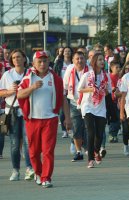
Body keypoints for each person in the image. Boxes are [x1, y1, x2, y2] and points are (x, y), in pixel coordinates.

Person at [17, 51, 72, 188]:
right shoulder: (28, 78)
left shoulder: (55, 78)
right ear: (34, 63)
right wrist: (32, 87)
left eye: (45, 61)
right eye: (39, 61)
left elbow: (63, 98)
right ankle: (38, 173)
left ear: (49, 62)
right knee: (34, 152)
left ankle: (46, 177)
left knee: (48, 151)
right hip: (32, 120)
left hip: (50, 119)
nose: (42, 64)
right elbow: (19, 94)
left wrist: (68, 117)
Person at [0, 49, 34, 181]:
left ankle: (29, 168)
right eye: (14, 58)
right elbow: (1, 92)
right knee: (14, 143)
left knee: (27, 141)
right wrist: (9, 91)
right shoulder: (7, 74)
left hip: (27, 110)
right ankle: (15, 170)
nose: (16, 60)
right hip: (13, 111)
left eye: (19, 57)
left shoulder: (31, 73)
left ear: (25, 59)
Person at [77, 53, 111, 168]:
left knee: (100, 134)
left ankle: (96, 151)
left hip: (100, 107)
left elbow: (109, 92)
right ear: (94, 61)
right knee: (91, 132)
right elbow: (80, 89)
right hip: (88, 106)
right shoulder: (87, 75)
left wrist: (106, 91)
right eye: (100, 60)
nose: (102, 62)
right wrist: (90, 89)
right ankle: (90, 159)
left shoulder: (106, 76)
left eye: (103, 60)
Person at [63, 51, 89, 162]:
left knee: (88, 128)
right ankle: (79, 152)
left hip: (87, 103)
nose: (79, 61)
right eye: (77, 58)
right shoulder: (69, 69)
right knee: (77, 128)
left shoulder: (90, 70)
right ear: (73, 60)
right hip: (74, 103)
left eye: (82, 58)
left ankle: (89, 149)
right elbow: (65, 86)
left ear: (85, 59)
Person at [53, 47, 73, 138]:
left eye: (69, 51)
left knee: (72, 109)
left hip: (72, 88)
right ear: (62, 53)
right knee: (62, 111)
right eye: (65, 51)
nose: (67, 53)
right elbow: (54, 73)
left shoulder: (73, 63)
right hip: (62, 88)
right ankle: (64, 130)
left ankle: (71, 128)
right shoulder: (59, 63)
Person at [115, 62, 129, 156]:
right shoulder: (121, 80)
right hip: (124, 106)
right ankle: (126, 145)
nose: (128, 71)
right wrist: (124, 92)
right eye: (127, 69)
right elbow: (116, 94)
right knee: (126, 129)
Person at [108, 61, 121, 143]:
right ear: (111, 68)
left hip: (119, 100)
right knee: (114, 118)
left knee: (117, 118)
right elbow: (111, 88)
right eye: (116, 67)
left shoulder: (120, 77)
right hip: (111, 100)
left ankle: (114, 134)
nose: (118, 69)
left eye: (119, 67)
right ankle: (112, 135)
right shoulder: (109, 77)